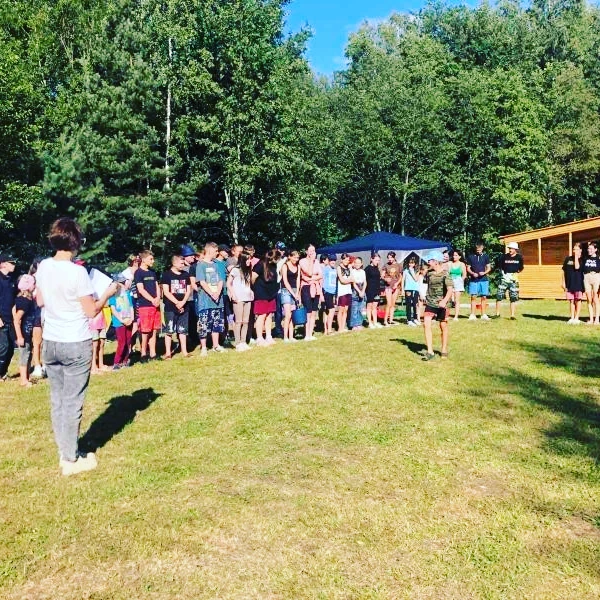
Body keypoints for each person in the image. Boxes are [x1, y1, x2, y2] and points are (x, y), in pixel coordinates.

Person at [35, 217, 118, 476]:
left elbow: (40, 301)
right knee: (72, 403)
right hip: (75, 341)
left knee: (58, 400)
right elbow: (91, 311)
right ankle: (70, 459)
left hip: (51, 340)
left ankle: (65, 452)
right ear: (76, 242)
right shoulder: (78, 272)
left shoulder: (43, 266)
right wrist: (107, 294)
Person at [195, 242, 226, 356]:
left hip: (218, 301)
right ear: (209, 250)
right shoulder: (201, 265)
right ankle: (203, 347)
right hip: (205, 301)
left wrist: (217, 293)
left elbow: (221, 280)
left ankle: (216, 345)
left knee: (217, 323)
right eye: (215, 251)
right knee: (203, 324)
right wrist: (212, 293)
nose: (217, 253)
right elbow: (202, 281)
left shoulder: (216, 265)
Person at [422, 251, 453, 361]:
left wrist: (444, 301)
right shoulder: (429, 273)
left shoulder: (445, 274)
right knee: (426, 323)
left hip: (442, 304)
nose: (428, 262)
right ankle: (430, 351)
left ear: (435, 261)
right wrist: (423, 296)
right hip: (430, 302)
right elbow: (426, 285)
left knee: (443, 325)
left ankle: (443, 349)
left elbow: (450, 290)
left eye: (429, 260)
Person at [160, 254, 192, 358]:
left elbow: (188, 290)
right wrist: (177, 303)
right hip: (170, 307)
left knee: (182, 330)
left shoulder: (186, 275)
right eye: (181, 263)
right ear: (174, 263)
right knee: (169, 330)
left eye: (183, 263)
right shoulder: (166, 275)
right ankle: (168, 353)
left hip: (184, 306)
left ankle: (185, 351)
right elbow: (166, 292)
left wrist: (183, 302)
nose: (183, 265)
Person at [134, 250, 161, 361]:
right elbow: (141, 289)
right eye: (151, 259)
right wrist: (152, 299)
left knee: (154, 330)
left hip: (155, 305)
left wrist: (158, 298)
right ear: (144, 259)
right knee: (145, 331)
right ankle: (143, 353)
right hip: (145, 305)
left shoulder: (152, 272)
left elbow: (157, 286)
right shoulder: (138, 273)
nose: (153, 261)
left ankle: (153, 353)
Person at [252, 249, 280, 346]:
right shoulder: (260, 264)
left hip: (271, 293)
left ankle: (268, 336)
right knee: (262, 315)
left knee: (269, 315)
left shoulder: (273, 265)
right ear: (273, 257)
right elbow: (252, 277)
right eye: (278, 258)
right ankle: (259, 338)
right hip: (261, 293)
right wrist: (255, 289)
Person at [227, 251, 254, 351]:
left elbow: (247, 284)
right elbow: (228, 283)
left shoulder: (248, 270)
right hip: (238, 299)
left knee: (246, 321)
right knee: (238, 321)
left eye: (250, 259)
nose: (249, 261)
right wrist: (232, 294)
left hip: (247, 298)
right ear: (243, 260)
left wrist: (251, 291)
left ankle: (243, 342)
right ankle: (238, 343)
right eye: (247, 259)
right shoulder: (235, 270)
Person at [13, 274, 37, 387]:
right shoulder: (24, 301)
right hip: (23, 333)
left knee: (28, 354)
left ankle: (27, 376)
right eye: (33, 284)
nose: (35, 286)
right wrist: (19, 336)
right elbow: (17, 319)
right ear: (28, 286)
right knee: (24, 355)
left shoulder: (28, 300)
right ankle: (23, 380)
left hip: (28, 332)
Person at [108, 274, 135, 369]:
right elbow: (113, 310)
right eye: (121, 282)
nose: (124, 284)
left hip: (129, 320)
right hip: (119, 322)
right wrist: (121, 320)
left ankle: (125, 360)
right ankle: (116, 362)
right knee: (122, 342)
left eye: (124, 282)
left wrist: (131, 318)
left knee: (128, 341)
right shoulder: (113, 296)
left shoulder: (127, 293)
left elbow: (131, 307)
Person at [299, 244, 323, 341]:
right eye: (311, 250)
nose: (313, 252)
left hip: (315, 287)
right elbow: (308, 273)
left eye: (314, 250)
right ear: (306, 252)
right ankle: (307, 334)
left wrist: (311, 278)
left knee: (313, 311)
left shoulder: (317, 262)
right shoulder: (302, 261)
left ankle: (311, 333)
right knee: (308, 312)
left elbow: (320, 275)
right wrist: (311, 261)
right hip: (306, 288)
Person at [495, 241, 524, 320]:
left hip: (514, 280)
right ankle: (497, 314)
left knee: (513, 298)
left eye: (512, 248)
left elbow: (521, 268)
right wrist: (503, 274)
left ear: (515, 249)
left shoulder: (519, 257)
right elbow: (500, 266)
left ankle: (512, 315)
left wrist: (515, 274)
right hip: (504, 279)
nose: (510, 250)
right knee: (499, 296)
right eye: (509, 248)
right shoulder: (504, 257)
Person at [0, 254, 17, 382]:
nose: (14, 265)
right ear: (3, 264)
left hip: (10, 319)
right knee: (3, 347)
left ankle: (3, 373)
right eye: (12, 263)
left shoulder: (11, 280)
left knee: (11, 348)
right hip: (1, 319)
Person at [28, 257, 46, 379]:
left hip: (46, 311)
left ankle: (45, 365)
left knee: (46, 341)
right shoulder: (32, 278)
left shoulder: (48, 278)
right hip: (36, 312)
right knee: (37, 342)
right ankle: (37, 366)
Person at [466, 241, 491, 320]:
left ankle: (483, 314)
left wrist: (484, 272)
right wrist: (472, 273)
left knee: (484, 297)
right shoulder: (470, 257)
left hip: (484, 280)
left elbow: (489, 268)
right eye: (477, 249)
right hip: (474, 280)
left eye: (479, 249)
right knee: (473, 297)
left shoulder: (486, 256)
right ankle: (472, 315)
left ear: (482, 248)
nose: (478, 251)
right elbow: (468, 268)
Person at [280, 250, 300, 342]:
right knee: (287, 314)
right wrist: (293, 293)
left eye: (297, 258)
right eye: (294, 257)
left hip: (295, 291)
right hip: (286, 291)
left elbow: (298, 280)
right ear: (290, 257)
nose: (296, 259)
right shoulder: (285, 266)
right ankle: (285, 337)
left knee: (292, 315)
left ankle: (291, 336)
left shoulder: (298, 266)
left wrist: (297, 292)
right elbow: (285, 281)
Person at [578, 241, 600, 325]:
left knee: (595, 298)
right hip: (587, 278)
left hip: (596, 277)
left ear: (595, 249)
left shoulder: (598, 258)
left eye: (591, 249)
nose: (589, 250)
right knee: (589, 299)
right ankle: (591, 319)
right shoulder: (585, 258)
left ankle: (597, 319)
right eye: (588, 248)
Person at [562, 243, 584, 324]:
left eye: (577, 249)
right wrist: (563, 282)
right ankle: (572, 318)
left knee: (578, 300)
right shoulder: (567, 259)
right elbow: (563, 271)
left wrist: (576, 257)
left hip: (578, 283)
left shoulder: (582, 259)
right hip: (569, 283)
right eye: (574, 249)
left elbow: (577, 267)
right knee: (571, 301)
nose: (575, 251)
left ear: (580, 250)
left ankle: (577, 318)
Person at [381, 251, 402, 325]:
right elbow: (382, 275)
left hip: (396, 286)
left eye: (391, 257)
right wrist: (385, 279)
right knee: (389, 304)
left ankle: (391, 320)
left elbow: (400, 277)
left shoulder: (399, 265)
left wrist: (397, 283)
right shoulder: (386, 265)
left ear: (394, 257)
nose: (389, 259)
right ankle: (385, 320)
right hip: (388, 286)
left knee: (393, 304)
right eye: (388, 258)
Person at [89, 302, 110, 373]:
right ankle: (93, 366)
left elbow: (106, 304)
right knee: (94, 345)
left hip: (102, 321)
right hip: (92, 323)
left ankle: (101, 364)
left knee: (102, 343)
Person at [336, 253, 353, 332]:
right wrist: (349, 280)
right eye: (345, 260)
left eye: (348, 260)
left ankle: (343, 327)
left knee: (346, 309)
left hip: (348, 291)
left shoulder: (349, 268)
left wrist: (350, 269)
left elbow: (352, 278)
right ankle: (340, 328)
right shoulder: (339, 268)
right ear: (342, 260)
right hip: (342, 292)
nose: (347, 261)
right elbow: (342, 280)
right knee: (341, 310)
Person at [364, 253, 382, 328]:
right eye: (376, 260)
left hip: (376, 290)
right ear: (372, 259)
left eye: (378, 260)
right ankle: (370, 323)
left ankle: (375, 322)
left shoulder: (377, 268)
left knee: (375, 306)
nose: (377, 262)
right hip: (369, 290)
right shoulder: (367, 269)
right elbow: (365, 280)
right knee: (369, 306)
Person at [448, 250, 467, 320]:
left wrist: (460, 281)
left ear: (459, 256)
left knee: (457, 300)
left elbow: (464, 275)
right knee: (449, 299)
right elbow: (448, 273)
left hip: (458, 282)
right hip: (450, 281)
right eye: (453, 255)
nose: (454, 257)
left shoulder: (462, 264)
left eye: (456, 255)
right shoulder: (450, 263)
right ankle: (447, 315)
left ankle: (456, 316)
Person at [402, 256, 420, 326]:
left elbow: (416, 279)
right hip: (408, 289)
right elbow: (403, 280)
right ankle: (409, 319)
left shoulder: (417, 271)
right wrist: (403, 289)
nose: (410, 264)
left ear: (415, 264)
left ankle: (415, 318)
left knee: (415, 304)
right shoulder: (405, 270)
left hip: (415, 289)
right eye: (409, 263)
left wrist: (412, 271)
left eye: (412, 263)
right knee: (408, 304)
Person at [321, 254, 338, 335]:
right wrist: (322, 293)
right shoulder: (325, 269)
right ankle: (329, 330)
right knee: (331, 310)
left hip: (332, 292)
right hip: (326, 291)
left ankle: (326, 330)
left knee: (327, 311)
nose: (333, 262)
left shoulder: (335, 270)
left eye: (334, 260)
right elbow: (322, 280)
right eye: (331, 260)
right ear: (328, 261)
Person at [349, 256, 366, 329]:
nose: (357, 264)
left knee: (360, 308)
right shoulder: (352, 271)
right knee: (354, 308)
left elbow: (365, 282)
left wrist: (363, 291)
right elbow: (353, 283)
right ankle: (354, 325)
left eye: (359, 263)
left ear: (361, 263)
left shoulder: (363, 271)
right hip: (355, 290)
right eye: (356, 263)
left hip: (362, 289)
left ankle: (359, 323)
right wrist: (359, 292)